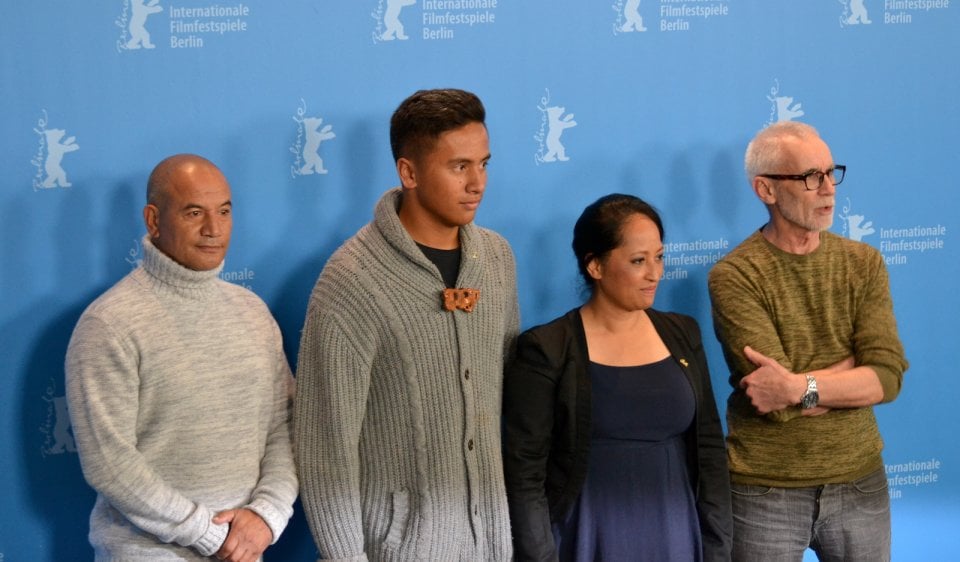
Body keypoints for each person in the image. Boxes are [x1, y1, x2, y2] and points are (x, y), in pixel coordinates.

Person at [294, 89, 520, 560]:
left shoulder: (496, 258)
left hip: (492, 544)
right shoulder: (351, 280)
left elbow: (507, 401)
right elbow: (325, 448)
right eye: (459, 166)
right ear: (409, 172)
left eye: (484, 163)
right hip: (396, 549)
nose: (478, 182)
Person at [65, 154, 298, 561]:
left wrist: (266, 515)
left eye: (224, 212)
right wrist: (208, 534)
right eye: (194, 213)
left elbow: (284, 424)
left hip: (245, 551)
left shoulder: (253, 312)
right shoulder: (109, 324)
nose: (214, 229)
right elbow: (110, 462)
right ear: (154, 220)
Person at [708, 121, 908, 561]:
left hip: (860, 479)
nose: (828, 189)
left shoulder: (864, 264)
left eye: (830, 172)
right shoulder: (735, 276)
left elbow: (886, 378)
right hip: (765, 490)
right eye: (809, 177)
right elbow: (769, 400)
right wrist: (851, 371)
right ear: (766, 190)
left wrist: (799, 386)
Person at [503, 193, 733, 562]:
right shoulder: (547, 349)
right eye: (638, 261)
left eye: (659, 257)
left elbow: (708, 449)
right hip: (587, 537)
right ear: (595, 266)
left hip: (676, 534)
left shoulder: (682, 333)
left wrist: (717, 548)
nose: (655, 273)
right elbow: (524, 476)